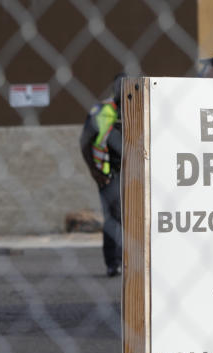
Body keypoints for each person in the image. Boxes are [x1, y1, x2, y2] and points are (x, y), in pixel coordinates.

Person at [80, 73, 126, 277]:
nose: (123, 91)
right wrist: (94, 171)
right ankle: (113, 263)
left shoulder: (140, 107)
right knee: (114, 217)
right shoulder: (103, 110)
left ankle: (132, 261)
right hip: (109, 173)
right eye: (120, 87)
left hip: (135, 172)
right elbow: (85, 141)